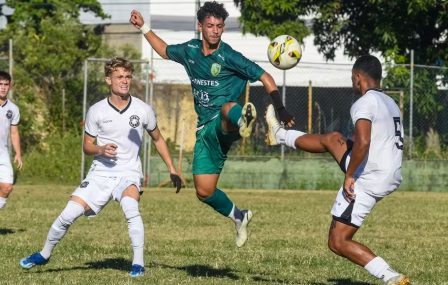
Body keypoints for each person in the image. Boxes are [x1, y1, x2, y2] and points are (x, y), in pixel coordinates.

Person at [130, 1, 294, 248]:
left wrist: (280, 108)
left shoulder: (229, 56)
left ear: (223, 28)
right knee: (204, 191)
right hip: (204, 131)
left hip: (225, 121)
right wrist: (144, 27)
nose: (215, 30)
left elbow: (265, 77)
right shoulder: (190, 51)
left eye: (219, 26)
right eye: (210, 26)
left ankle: (243, 120)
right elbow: (164, 51)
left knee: (227, 109)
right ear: (200, 27)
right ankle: (239, 216)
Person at [19, 57, 182, 277]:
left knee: (130, 207)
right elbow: (87, 146)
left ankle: (138, 264)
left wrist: (172, 167)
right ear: (108, 80)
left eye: (127, 77)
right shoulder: (96, 111)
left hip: (128, 172)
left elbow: (158, 139)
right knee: (69, 214)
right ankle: (44, 254)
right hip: (100, 173)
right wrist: (100, 149)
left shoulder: (143, 110)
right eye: (119, 77)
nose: (124, 81)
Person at [265, 55, 410, 285]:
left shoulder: (364, 103)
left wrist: (350, 176)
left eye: (352, 79)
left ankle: (391, 276)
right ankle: (280, 135)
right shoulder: (390, 102)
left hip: (370, 176)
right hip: (390, 170)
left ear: (358, 77)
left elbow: (363, 142)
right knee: (333, 139)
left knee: (337, 241)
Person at [0, 71, 22, 210]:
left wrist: (18, 153)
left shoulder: (13, 109)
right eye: (0, 84)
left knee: (7, 187)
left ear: (10, 86)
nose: (2, 87)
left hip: (2, 153)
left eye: (5, 84)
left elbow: (14, 133)